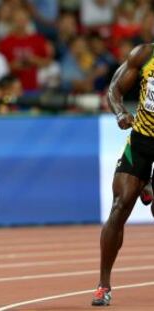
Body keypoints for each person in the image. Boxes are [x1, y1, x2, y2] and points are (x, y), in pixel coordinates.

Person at [91, 43, 154, 306]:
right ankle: (103, 284)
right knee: (120, 206)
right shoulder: (144, 55)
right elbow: (115, 90)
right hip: (141, 140)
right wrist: (119, 112)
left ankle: (148, 183)